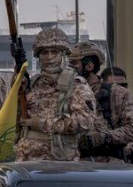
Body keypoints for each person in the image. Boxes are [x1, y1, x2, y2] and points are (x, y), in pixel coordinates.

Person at [16, 28, 97, 161]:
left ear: (64, 54)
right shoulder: (32, 84)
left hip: (59, 160)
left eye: (54, 52)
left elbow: (85, 122)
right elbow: (16, 121)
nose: (49, 57)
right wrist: (17, 94)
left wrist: (43, 124)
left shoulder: (76, 85)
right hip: (27, 159)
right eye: (44, 52)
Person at [71, 42, 133, 163]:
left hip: (108, 167)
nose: (69, 68)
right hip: (74, 166)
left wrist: (104, 137)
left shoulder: (117, 93)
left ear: (89, 66)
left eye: (74, 63)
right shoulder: (66, 94)